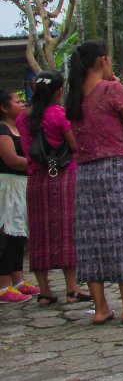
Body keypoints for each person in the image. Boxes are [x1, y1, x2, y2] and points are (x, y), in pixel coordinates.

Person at [65, 40, 123, 325]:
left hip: (86, 174)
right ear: (103, 60)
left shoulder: (73, 98)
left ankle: (101, 307)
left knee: (91, 237)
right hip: (116, 169)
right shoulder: (111, 89)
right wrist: (115, 136)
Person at [16, 71, 91, 305]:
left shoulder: (22, 118)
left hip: (36, 180)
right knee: (68, 230)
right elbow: (75, 146)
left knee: (40, 234)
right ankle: (72, 289)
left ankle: (45, 291)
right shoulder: (59, 114)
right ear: (59, 91)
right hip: (64, 177)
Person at [0, 89, 38, 303]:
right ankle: (3, 284)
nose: (21, 103)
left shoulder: (18, 128)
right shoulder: (2, 131)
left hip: (22, 184)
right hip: (8, 185)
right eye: (16, 101)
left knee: (20, 232)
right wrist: (37, 164)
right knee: (9, 233)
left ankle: (17, 280)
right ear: (4, 107)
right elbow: (11, 159)